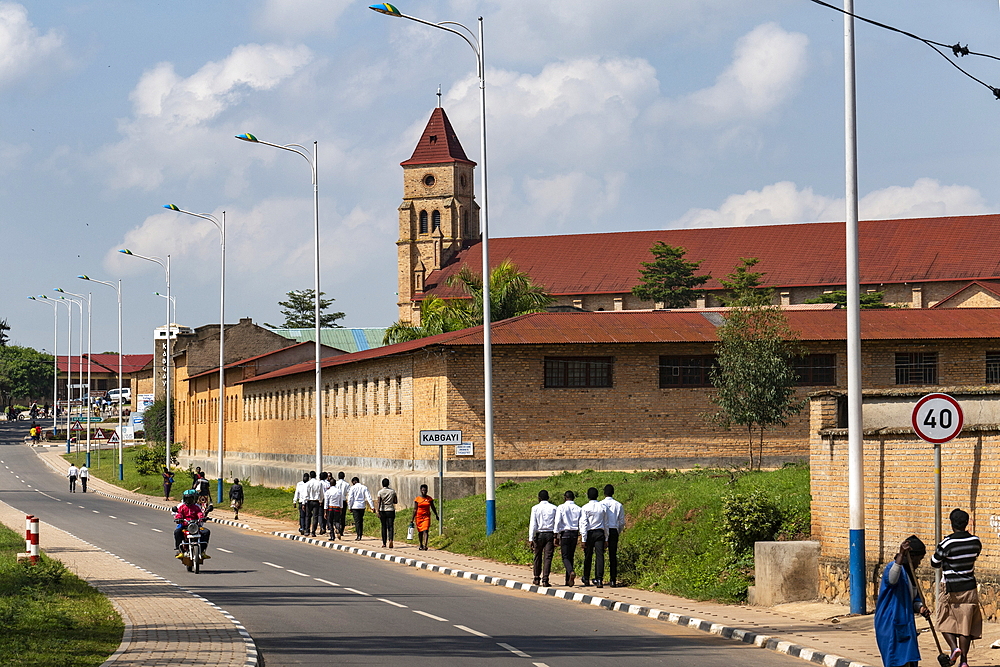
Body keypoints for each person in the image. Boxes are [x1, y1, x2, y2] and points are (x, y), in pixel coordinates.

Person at [932, 508, 983, 667]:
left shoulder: (946, 543)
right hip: (969, 587)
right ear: (967, 523)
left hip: (950, 588)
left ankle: (954, 648)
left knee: (943, 621)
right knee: (965, 625)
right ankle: (964, 661)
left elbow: (934, 562)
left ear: (952, 524)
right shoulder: (975, 541)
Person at [875, 536, 928, 667]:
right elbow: (892, 580)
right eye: (918, 560)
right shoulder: (893, 568)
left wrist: (920, 607)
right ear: (912, 557)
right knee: (896, 661)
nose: (919, 564)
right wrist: (901, 555)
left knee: (909, 661)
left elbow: (913, 598)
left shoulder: (911, 575)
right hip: (891, 624)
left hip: (906, 624)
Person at [579, 487, 607, 588]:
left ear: (588, 496)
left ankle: (586, 578)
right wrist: (606, 538)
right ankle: (599, 579)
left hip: (590, 534)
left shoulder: (585, 508)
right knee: (600, 556)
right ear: (597, 495)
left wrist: (583, 538)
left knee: (588, 556)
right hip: (600, 533)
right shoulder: (603, 507)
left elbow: (584, 524)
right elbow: (606, 523)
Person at [528, 489, 557, 587]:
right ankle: (545, 580)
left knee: (537, 556)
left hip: (539, 535)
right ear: (548, 498)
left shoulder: (535, 508)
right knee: (547, 557)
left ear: (539, 498)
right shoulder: (554, 508)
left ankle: (536, 578)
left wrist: (531, 538)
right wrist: (556, 536)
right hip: (550, 534)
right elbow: (556, 523)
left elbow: (533, 524)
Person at [555, 490, 582, 587]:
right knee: (571, 556)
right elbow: (581, 522)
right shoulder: (579, 509)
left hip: (565, 534)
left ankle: (570, 572)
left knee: (565, 557)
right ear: (573, 498)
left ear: (565, 497)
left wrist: (556, 535)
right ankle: (568, 580)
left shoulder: (561, 507)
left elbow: (557, 522)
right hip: (574, 534)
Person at [174, 489, 211, 559]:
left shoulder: (196, 507)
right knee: (177, 532)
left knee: (206, 532)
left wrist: (202, 518)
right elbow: (179, 514)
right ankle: (179, 550)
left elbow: (199, 513)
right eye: (187, 498)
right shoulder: (182, 507)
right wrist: (178, 519)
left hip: (195, 525)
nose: (189, 500)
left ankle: (203, 551)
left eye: (190, 498)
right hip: (185, 525)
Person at [602, 484, 625, 587]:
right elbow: (621, 522)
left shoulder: (601, 504)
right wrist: (618, 531)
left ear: (604, 493)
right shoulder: (618, 505)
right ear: (613, 492)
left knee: (600, 554)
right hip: (614, 530)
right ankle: (613, 579)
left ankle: (599, 578)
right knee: (613, 555)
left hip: (602, 531)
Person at [413, 484, 438, 551]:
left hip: (426, 517)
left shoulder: (429, 499)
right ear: (421, 490)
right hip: (419, 517)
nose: (424, 491)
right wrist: (412, 518)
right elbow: (415, 509)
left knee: (426, 530)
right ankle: (421, 544)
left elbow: (433, 507)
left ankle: (425, 545)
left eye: (425, 490)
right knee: (420, 532)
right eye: (423, 490)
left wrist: (436, 515)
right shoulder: (417, 499)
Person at [376, 478, 398, 548]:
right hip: (391, 509)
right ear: (388, 484)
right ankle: (391, 539)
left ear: (382, 484)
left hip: (383, 510)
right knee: (390, 526)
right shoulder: (393, 492)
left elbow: (379, 502)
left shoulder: (380, 492)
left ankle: (384, 543)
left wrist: (378, 510)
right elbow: (395, 501)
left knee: (383, 526)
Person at [303, 471, 325, 537]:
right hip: (316, 501)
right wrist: (321, 501)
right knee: (315, 517)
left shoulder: (308, 483)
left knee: (308, 516)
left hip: (309, 501)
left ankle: (307, 531)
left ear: (310, 476)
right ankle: (313, 532)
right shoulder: (319, 483)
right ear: (316, 476)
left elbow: (305, 494)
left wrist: (304, 503)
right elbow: (321, 493)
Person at [323, 476, 345, 541]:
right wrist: (341, 508)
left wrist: (325, 511)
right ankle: (338, 529)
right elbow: (341, 501)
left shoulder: (328, 492)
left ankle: (332, 536)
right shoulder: (339, 491)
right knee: (337, 521)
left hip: (330, 508)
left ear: (330, 484)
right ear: (335, 484)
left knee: (330, 522)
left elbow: (326, 502)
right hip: (337, 508)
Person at [334, 472, 350, 538]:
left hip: (337, 501)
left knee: (336, 516)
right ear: (344, 476)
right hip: (343, 501)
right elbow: (349, 493)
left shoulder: (336, 483)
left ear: (338, 476)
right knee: (343, 516)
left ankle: (337, 527)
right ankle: (341, 531)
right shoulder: (347, 484)